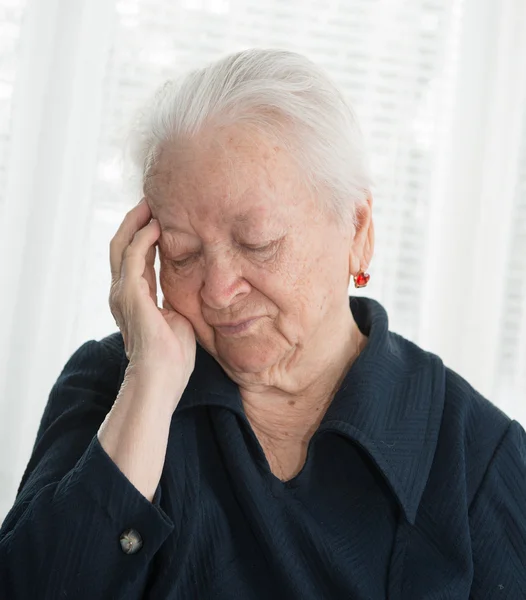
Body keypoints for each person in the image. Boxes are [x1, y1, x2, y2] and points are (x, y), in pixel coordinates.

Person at [1, 48, 525, 600]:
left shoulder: (475, 454)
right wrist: (148, 390)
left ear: (358, 231)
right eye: (181, 254)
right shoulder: (113, 385)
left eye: (259, 243)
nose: (219, 289)